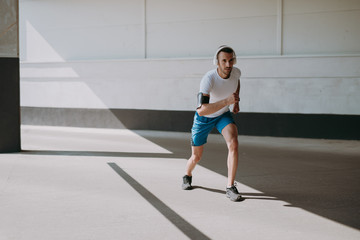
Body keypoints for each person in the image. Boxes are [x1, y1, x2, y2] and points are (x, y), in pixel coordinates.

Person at [182, 45, 243, 202]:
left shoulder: (236, 73)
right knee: (196, 157)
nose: (228, 65)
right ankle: (187, 175)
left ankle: (230, 187)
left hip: (223, 115)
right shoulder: (208, 79)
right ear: (217, 62)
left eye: (231, 61)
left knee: (234, 144)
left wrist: (235, 101)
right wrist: (227, 101)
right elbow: (202, 110)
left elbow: (237, 82)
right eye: (224, 61)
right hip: (204, 119)